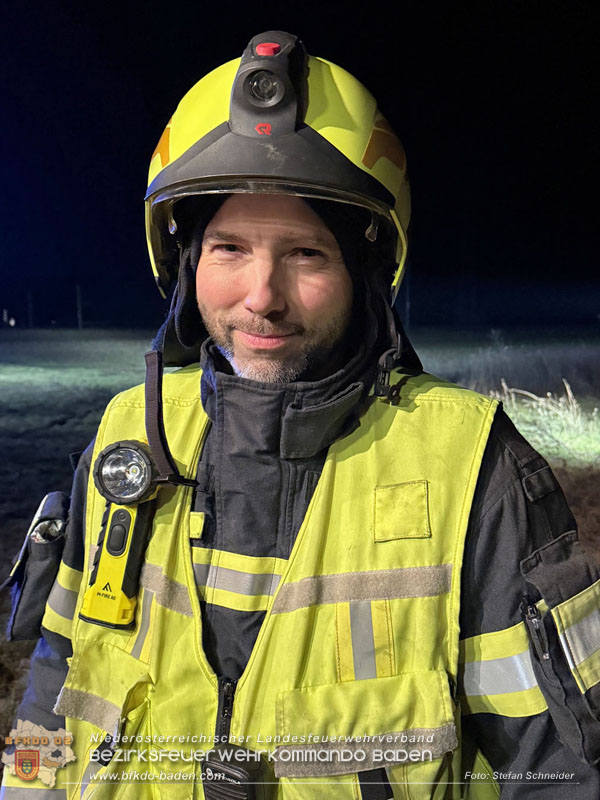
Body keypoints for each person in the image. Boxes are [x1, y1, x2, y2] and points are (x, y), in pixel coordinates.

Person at [2, 30, 600, 800]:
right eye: (228, 248)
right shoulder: (127, 438)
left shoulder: (474, 469)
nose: (261, 296)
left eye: (306, 254)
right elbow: (55, 680)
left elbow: (561, 772)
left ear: (367, 269)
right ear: (184, 264)